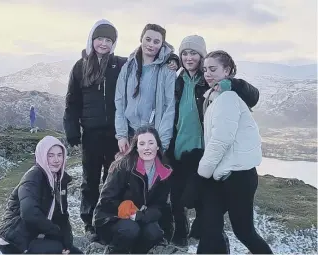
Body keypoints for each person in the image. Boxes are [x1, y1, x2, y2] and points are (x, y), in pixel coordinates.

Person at [63, 20, 179, 234]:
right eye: (100, 39)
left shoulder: (119, 64)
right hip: (95, 132)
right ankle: (91, 222)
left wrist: (173, 57)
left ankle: (119, 220)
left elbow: (153, 59)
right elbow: (73, 101)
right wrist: (72, 131)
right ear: (92, 39)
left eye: (109, 40)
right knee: (90, 179)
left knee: (117, 180)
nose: (104, 44)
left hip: (120, 134)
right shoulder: (81, 67)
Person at [166, 35, 260, 248]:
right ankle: (181, 238)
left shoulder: (213, 83)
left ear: (202, 56)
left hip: (203, 154)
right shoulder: (177, 81)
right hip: (179, 151)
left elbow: (252, 96)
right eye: (185, 53)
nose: (189, 58)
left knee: (208, 211)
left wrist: (232, 83)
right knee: (178, 200)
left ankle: (216, 244)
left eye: (194, 53)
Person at [197, 50, 273, 254]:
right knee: (209, 226)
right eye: (205, 70)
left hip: (238, 177)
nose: (208, 74)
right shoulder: (215, 97)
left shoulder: (228, 97)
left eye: (213, 69)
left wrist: (202, 173)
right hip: (222, 174)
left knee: (244, 232)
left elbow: (221, 140)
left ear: (227, 71)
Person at [92, 126, 172, 254]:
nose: (147, 147)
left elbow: (160, 205)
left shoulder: (164, 172)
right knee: (130, 229)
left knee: (154, 232)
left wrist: (142, 216)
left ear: (157, 146)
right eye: (142, 143)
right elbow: (107, 199)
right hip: (111, 218)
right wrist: (130, 211)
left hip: (141, 218)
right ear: (136, 147)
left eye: (151, 143)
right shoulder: (123, 166)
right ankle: (114, 251)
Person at [0, 136, 82, 254]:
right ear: (41, 156)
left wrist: (67, 241)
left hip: (37, 235)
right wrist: (56, 232)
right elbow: (29, 213)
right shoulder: (33, 177)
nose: (56, 160)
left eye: (59, 155)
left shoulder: (59, 179)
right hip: (15, 240)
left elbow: (62, 214)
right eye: (50, 155)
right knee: (57, 250)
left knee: (74, 253)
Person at [115, 23, 176, 154]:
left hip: (153, 137)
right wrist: (121, 135)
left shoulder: (167, 70)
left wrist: (162, 144)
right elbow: (120, 102)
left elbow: (169, 107)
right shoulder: (129, 67)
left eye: (156, 41)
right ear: (141, 39)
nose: (151, 45)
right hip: (130, 135)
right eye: (148, 39)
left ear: (162, 44)